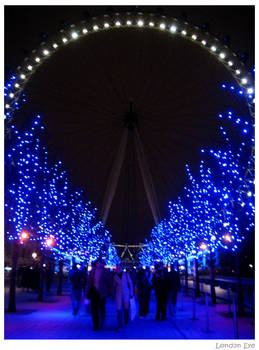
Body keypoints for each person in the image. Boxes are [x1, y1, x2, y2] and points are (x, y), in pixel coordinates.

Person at [86, 258, 111, 331]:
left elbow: (109, 283)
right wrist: (87, 292)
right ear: (96, 264)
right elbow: (89, 283)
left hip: (102, 293)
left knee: (102, 309)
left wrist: (109, 293)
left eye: (100, 263)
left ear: (103, 264)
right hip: (94, 292)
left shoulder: (106, 272)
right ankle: (96, 325)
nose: (99, 264)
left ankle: (102, 322)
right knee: (94, 310)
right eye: (98, 263)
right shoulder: (92, 271)